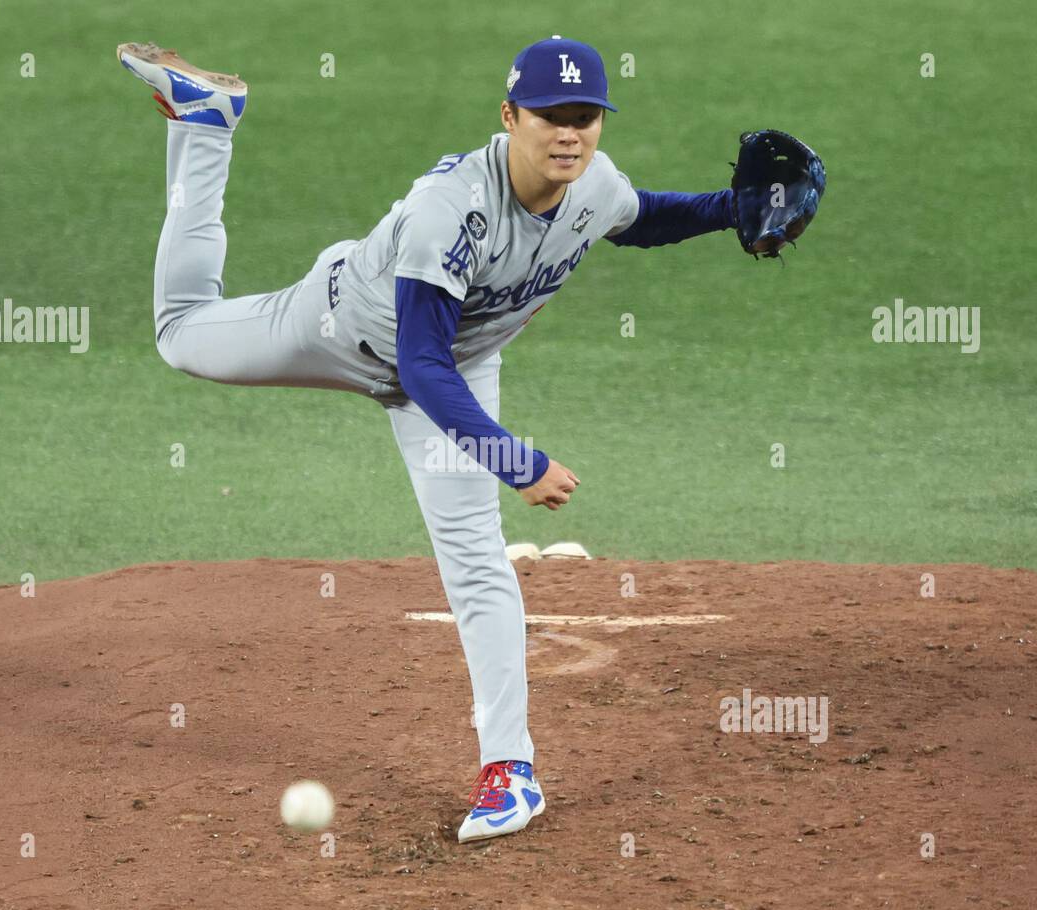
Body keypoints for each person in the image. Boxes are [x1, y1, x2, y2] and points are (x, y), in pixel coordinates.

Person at [116, 35, 736, 843]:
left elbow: (643, 217)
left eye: (586, 119)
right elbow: (418, 361)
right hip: (339, 328)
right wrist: (518, 460)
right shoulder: (452, 209)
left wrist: (732, 213)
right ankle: (205, 126)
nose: (570, 135)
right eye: (551, 117)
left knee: (476, 557)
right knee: (180, 334)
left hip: (457, 370)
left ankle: (509, 771)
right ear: (509, 115)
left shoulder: (594, 186)